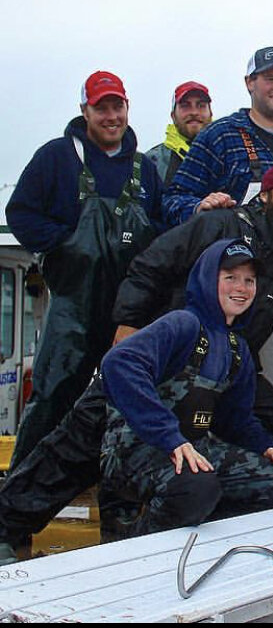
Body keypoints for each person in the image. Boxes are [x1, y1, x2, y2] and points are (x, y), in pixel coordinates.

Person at [0, 162, 273, 566]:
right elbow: (151, 264)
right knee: (69, 454)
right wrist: (128, 324)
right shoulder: (217, 225)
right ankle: (7, 529)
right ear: (264, 195)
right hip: (161, 362)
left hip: (229, 371)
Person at [5, 70, 163, 470]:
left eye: (117, 106)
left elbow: (161, 231)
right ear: (84, 111)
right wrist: (65, 243)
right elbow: (20, 213)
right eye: (101, 108)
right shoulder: (55, 157)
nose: (111, 116)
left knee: (132, 396)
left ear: (127, 108)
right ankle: (19, 499)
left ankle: (120, 487)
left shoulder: (144, 170)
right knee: (53, 393)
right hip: (72, 308)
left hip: (129, 311)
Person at [100, 239, 273, 538]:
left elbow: (236, 420)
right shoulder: (182, 324)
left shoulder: (238, 348)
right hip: (138, 450)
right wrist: (169, 437)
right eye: (230, 277)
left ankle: (211, 544)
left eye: (249, 280)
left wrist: (266, 446)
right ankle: (136, 546)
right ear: (209, 279)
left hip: (196, 450)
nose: (241, 287)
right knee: (196, 486)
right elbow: (118, 363)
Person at [163, 46, 273, 224]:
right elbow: (172, 201)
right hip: (235, 249)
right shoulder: (219, 136)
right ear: (249, 82)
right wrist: (199, 207)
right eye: (270, 79)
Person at [146, 81, 213, 185]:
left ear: (210, 113)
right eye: (186, 106)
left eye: (201, 105)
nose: (194, 112)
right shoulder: (152, 161)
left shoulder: (230, 154)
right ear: (173, 115)